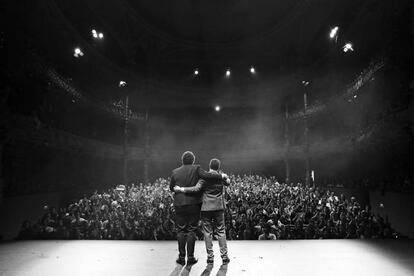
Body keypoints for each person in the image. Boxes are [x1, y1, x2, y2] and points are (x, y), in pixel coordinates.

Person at [170, 151, 227, 266]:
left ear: (182, 160)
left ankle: (181, 257)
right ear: (193, 160)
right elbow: (208, 176)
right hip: (194, 204)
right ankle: (190, 257)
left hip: (180, 204)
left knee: (181, 230)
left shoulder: (175, 172)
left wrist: (179, 189)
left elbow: (171, 187)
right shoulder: (197, 169)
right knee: (192, 230)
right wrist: (221, 176)